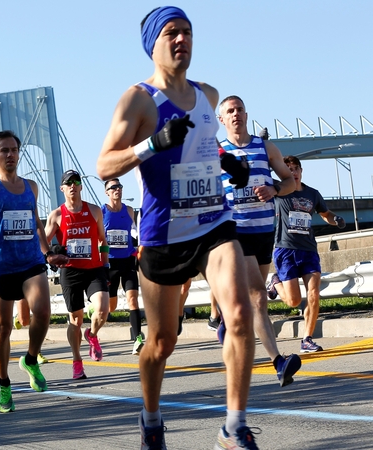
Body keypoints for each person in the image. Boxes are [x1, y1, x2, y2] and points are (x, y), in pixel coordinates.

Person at [95, 7, 259, 449]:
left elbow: (205, 148)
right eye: (171, 32)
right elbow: (103, 164)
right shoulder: (139, 99)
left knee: (240, 314)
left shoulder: (208, 93)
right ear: (154, 43)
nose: (181, 39)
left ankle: (234, 426)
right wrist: (152, 144)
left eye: (187, 31)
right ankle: (150, 421)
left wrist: (230, 165)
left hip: (214, 221)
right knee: (162, 341)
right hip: (164, 234)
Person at [0, 130, 67, 413]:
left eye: (14, 150)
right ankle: (4, 383)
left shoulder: (31, 187)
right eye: (4, 150)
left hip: (31, 262)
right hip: (1, 266)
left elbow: (35, 224)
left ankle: (31, 359)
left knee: (43, 312)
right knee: (3, 329)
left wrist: (48, 253)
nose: (10, 155)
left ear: (19, 153)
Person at [217, 95, 303, 385]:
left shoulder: (265, 147)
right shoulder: (216, 153)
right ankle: (278, 362)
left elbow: (290, 181)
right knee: (257, 296)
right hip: (235, 232)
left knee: (257, 301)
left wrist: (275, 189)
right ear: (222, 120)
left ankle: (226, 323)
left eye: (239, 109)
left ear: (246, 113)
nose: (236, 114)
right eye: (230, 111)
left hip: (264, 231)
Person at [267, 155, 346, 353]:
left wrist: (335, 219)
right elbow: (260, 175)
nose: (292, 172)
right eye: (288, 169)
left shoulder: (313, 194)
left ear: (301, 171)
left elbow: (325, 214)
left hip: (309, 250)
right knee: (294, 301)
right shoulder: (279, 190)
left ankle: (307, 339)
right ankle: (275, 282)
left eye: (296, 169)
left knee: (313, 294)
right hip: (285, 250)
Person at [44, 170, 109, 380]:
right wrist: (52, 255)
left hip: (94, 269)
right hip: (70, 271)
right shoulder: (56, 215)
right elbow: (43, 245)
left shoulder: (95, 211)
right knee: (75, 319)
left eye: (76, 182)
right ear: (62, 188)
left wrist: (106, 265)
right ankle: (77, 361)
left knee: (102, 310)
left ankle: (93, 335)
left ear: (81, 186)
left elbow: (103, 242)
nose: (73, 185)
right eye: (68, 183)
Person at [101, 177, 144, 355]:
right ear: (107, 192)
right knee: (111, 307)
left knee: (132, 300)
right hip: (111, 263)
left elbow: (134, 233)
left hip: (127, 260)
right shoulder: (101, 212)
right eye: (113, 187)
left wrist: (138, 251)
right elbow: (98, 238)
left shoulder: (129, 210)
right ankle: (95, 308)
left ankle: (137, 338)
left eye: (119, 186)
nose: (117, 189)